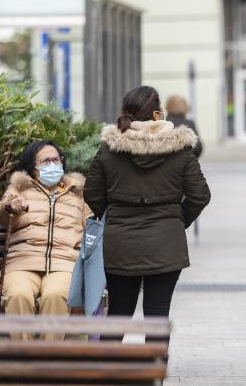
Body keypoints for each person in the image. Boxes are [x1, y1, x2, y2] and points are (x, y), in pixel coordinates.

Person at [84, 86, 211, 336]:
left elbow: (92, 194)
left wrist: (114, 217)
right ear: (155, 115)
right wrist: (177, 220)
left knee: (118, 315)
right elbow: (201, 195)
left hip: (120, 245)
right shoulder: (179, 148)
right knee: (157, 316)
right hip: (166, 244)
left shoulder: (110, 148)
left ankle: (110, 375)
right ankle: (154, 376)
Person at [0, 141, 91, 339]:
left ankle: (48, 361)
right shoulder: (20, 188)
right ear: (32, 166)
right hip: (22, 263)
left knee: (56, 296)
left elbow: (92, 228)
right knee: (18, 295)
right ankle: (25, 363)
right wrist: (10, 207)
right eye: (46, 161)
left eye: (57, 159)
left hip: (64, 264)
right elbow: (1, 216)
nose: (53, 164)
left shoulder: (76, 192)